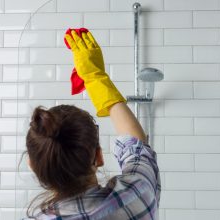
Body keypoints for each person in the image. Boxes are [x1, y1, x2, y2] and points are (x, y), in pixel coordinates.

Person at [25, 30, 161, 219]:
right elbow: (138, 149)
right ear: (98, 156)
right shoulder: (137, 196)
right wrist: (96, 79)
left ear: (32, 166)